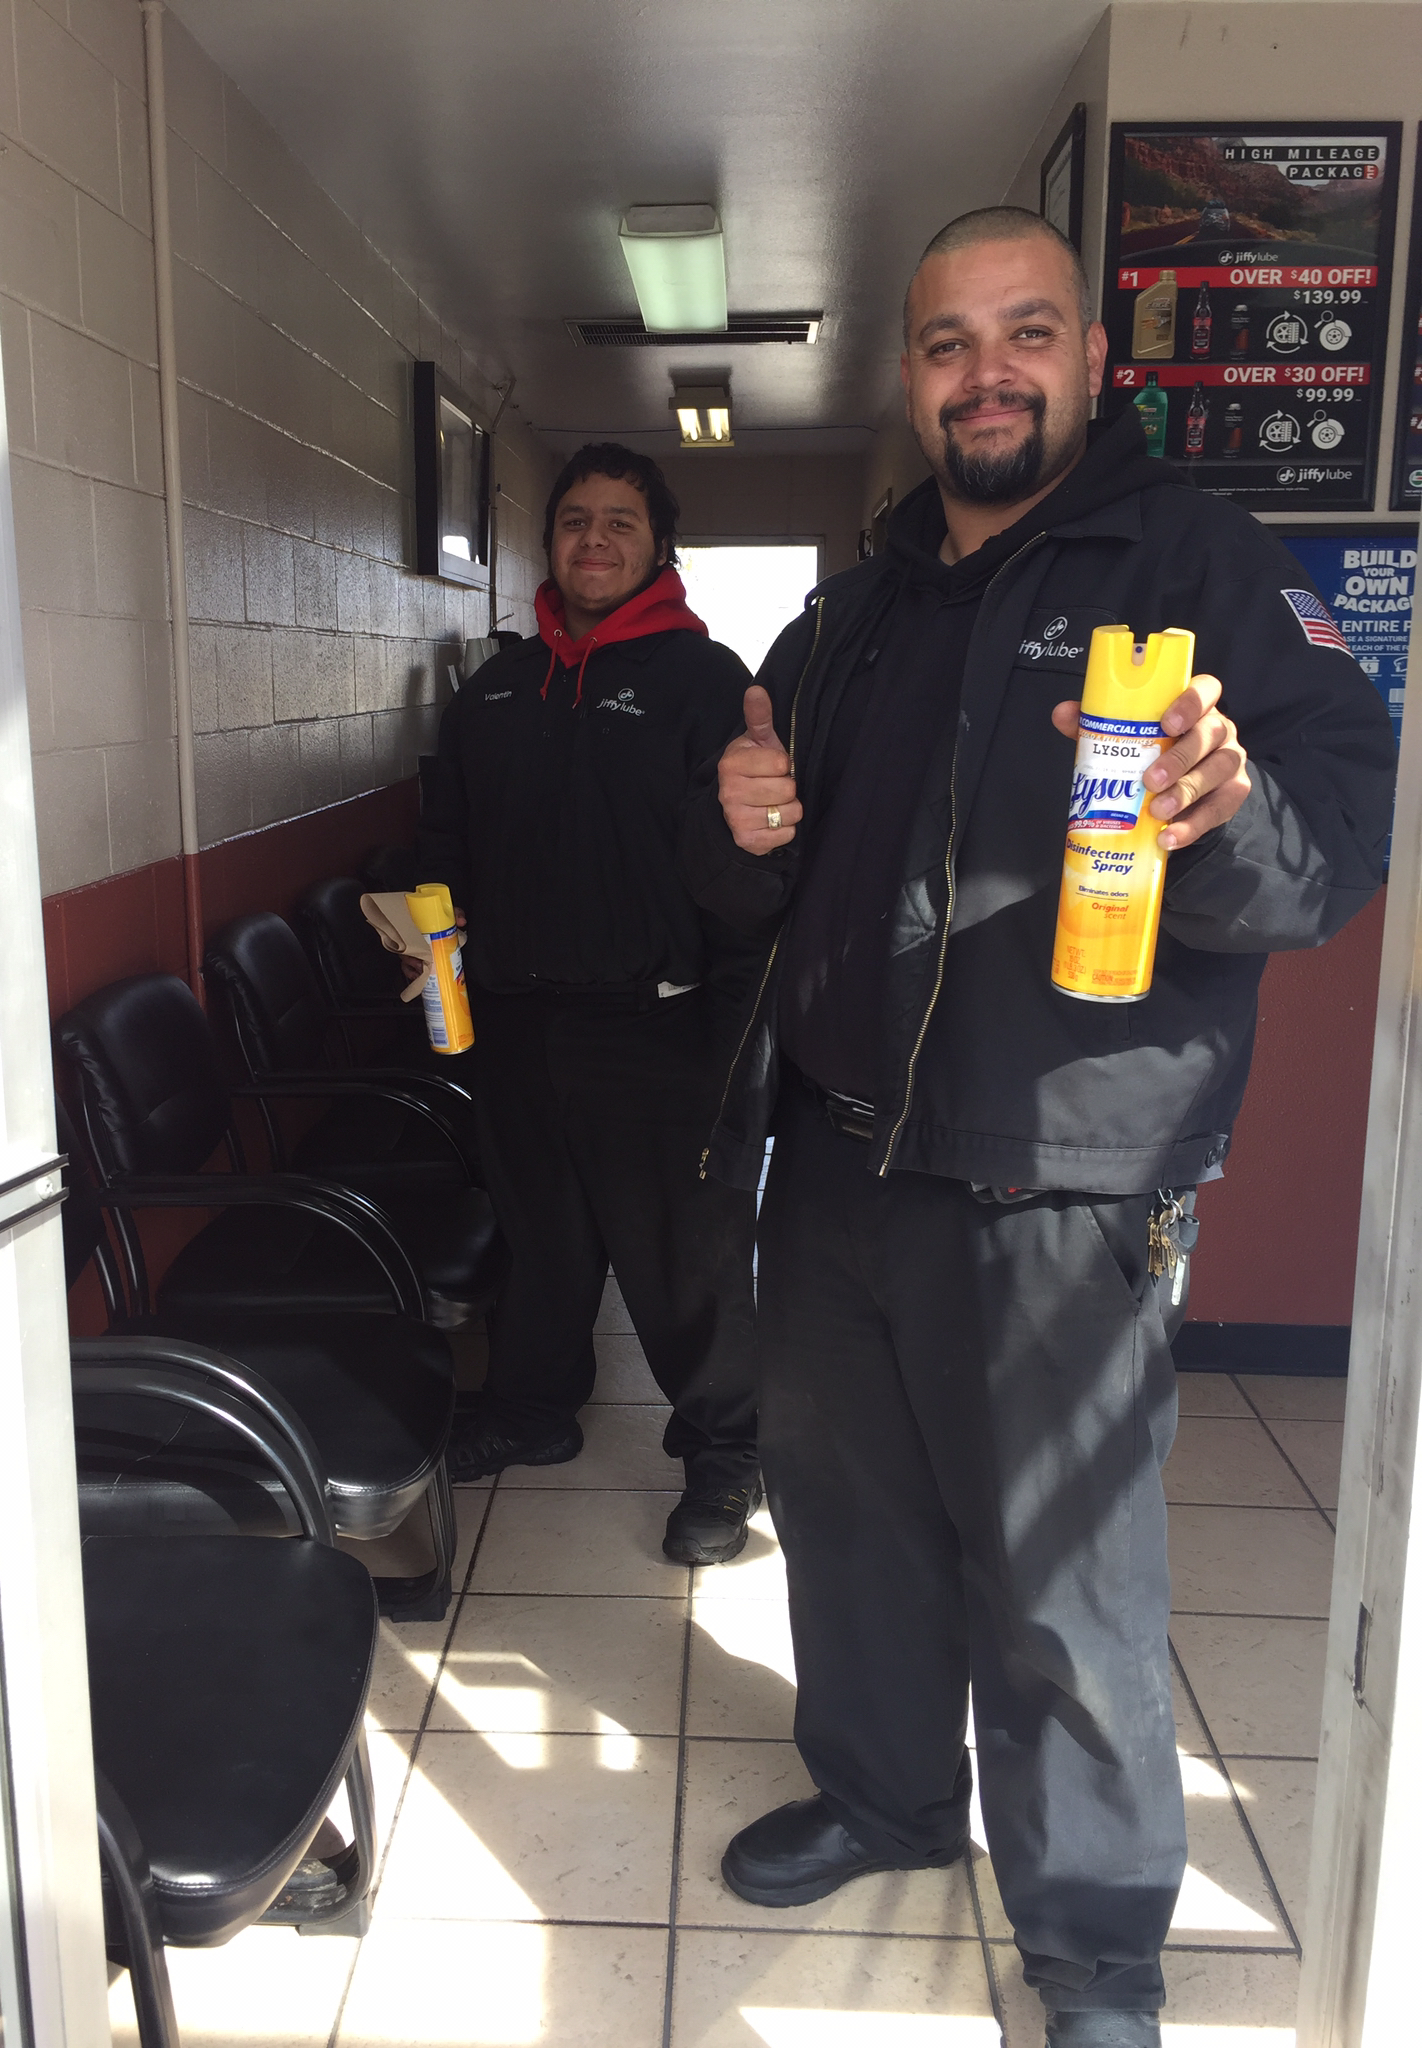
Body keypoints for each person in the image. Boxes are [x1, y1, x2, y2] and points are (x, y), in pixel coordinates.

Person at [679, 209, 1395, 2044]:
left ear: (1091, 357)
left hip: (1062, 1177)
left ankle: (1091, 1951)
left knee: (1065, 1583)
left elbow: (1330, 851)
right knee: (847, 1523)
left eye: (1024, 333)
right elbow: (767, 883)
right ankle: (887, 1797)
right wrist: (741, 825)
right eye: (947, 343)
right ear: (911, 375)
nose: (983, 372)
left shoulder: (1203, 565)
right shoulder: (857, 607)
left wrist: (1222, 815)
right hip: (836, 1161)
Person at [417, 443, 764, 1564]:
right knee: (542, 1242)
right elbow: (447, 840)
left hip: (661, 1026)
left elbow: (746, 876)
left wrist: (737, 1034)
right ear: (549, 540)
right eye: (576, 520)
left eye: (621, 521)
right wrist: (418, 924)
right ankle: (533, 1408)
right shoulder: (495, 691)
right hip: (515, 1022)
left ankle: (724, 1450)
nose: (596, 539)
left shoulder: (706, 682)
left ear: (659, 545)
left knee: (684, 1261)